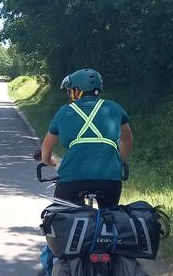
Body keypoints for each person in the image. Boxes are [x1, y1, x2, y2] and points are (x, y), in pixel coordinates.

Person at [41, 68, 133, 209]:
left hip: (72, 177)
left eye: (71, 90)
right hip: (110, 178)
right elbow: (127, 140)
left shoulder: (65, 111)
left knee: (62, 216)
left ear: (78, 91)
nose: (70, 94)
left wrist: (47, 161)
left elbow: (47, 145)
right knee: (110, 216)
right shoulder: (115, 108)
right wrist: (118, 162)